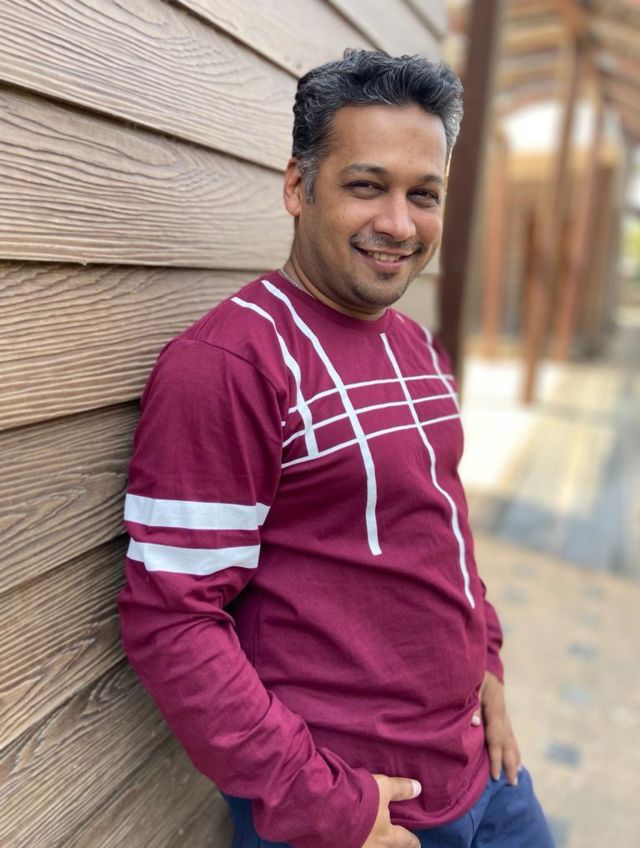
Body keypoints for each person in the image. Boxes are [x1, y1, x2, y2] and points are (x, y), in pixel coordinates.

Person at [118, 50, 554, 848]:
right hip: (360, 808)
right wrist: (323, 806)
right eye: (366, 186)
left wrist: (487, 658)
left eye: (423, 194)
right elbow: (170, 621)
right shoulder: (230, 364)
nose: (399, 223)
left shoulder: (418, 346)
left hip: (482, 771)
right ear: (298, 187)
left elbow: (441, 524)